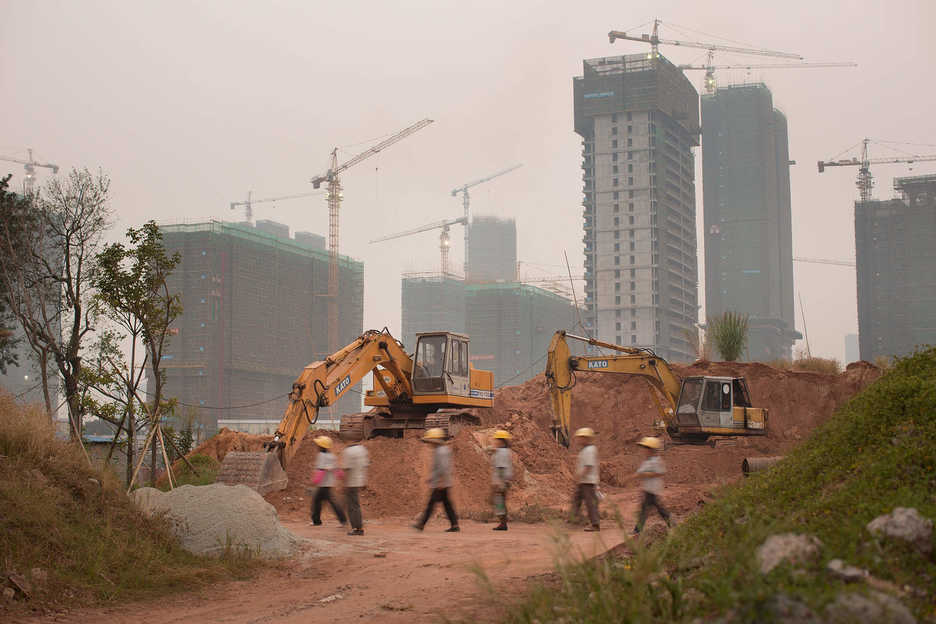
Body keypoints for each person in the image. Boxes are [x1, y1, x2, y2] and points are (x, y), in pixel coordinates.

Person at [413, 427, 460, 532]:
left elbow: (443, 467)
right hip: (442, 482)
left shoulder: (440, 451)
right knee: (447, 504)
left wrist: (440, 481)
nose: (429, 444)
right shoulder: (442, 450)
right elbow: (441, 467)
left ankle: (421, 524)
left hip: (440, 483)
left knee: (431, 504)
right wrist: (432, 478)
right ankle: (455, 525)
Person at [629, 436, 672, 535]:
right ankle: (672, 525)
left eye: (646, 449)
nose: (644, 451)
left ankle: (637, 530)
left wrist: (646, 474)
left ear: (651, 450)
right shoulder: (647, 461)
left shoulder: (656, 460)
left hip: (652, 489)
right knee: (658, 509)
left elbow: (661, 472)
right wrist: (633, 477)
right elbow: (640, 473)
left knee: (647, 510)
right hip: (648, 489)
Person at [310, 435, 347, 527]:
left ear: (321, 446)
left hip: (323, 484)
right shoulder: (332, 456)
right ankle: (342, 520)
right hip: (329, 483)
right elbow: (337, 469)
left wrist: (315, 481)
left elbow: (321, 470)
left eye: (318, 445)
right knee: (321, 501)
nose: (317, 446)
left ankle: (318, 521)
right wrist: (342, 477)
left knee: (318, 501)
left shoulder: (321, 456)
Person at [570, 427, 601, 532]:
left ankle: (595, 524)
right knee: (576, 499)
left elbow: (588, 466)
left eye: (580, 438)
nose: (578, 440)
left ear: (586, 438)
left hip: (588, 481)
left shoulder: (589, 450)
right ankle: (574, 519)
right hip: (584, 481)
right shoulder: (585, 450)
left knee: (590, 503)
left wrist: (579, 475)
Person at [341, 439, 370, 536]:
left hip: (351, 482)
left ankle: (357, 528)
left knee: (352, 507)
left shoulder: (348, 451)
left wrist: (344, 483)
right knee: (355, 505)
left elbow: (347, 469)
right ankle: (359, 526)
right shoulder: (362, 449)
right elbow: (365, 466)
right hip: (359, 481)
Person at [490, 430, 514, 531]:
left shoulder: (501, 453)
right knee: (501, 501)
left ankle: (503, 523)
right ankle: (503, 523)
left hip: (501, 481)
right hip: (504, 480)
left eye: (497, 440)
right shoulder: (505, 451)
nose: (495, 442)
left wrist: (500, 483)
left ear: (502, 441)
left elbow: (501, 467)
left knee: (499, 501)